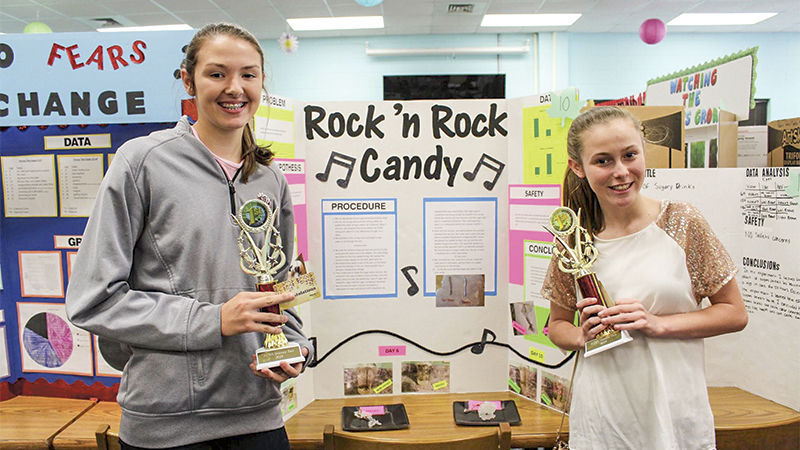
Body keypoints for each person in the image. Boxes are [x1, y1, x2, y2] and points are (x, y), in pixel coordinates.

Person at [65, 23, 312, 449]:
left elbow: (278, 285)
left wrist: (291, 342)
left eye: (248, 75)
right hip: (167, 426)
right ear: (188, 79)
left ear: (262, 82)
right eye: (217, 74)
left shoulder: (270, 179)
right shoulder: (142, 162)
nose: (235, 88)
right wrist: (213, 321)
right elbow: (93, 300)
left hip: (259, 416)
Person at [541, 106, 748, 450]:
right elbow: (557, 326)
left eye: (630, 155)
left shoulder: (681, 222)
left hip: (675, 413)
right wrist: (582, 335)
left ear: (643, 152)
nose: (621, 172)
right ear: (577, 167)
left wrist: (657, 324)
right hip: (602, 419)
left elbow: (734, 312)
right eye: (603, 161)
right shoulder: (575, 240)